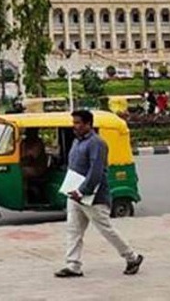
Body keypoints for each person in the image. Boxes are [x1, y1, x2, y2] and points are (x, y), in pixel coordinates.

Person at [55, 109, 144, 278]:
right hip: (74, 195)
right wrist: (71, 189)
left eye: (78, 123)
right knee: (73, 230)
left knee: (106, 229)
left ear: (88, 124)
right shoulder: (76, 142)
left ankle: (132, 257)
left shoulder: (97, 143)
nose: (75, 126)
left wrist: (82, 191)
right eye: (73, 122)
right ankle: (73, 264)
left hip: (93, 196)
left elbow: (96, 171)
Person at [21, 128, 48, 203]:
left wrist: (21, 162)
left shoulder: (38, 143)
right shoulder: (24, 143)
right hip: (26, 165)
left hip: (37, 168)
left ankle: (24, 196)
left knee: (21, 172)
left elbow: (31, 158)